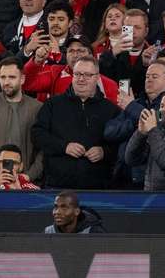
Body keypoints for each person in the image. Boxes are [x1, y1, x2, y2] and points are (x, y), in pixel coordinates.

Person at [32, 56, 120, 189]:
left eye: (87, 75)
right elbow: (37, 134)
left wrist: (104, 152)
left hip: (99, 188)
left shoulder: (111, 109)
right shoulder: (53, 104)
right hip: (57, 185)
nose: (81, 79)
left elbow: (119, 144)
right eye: (77, 74)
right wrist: (64, 147)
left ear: (97, 77)